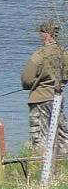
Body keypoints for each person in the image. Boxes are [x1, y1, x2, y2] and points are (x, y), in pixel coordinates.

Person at [21, 20, 68, 152]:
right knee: (60, 133)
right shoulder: (64, 53)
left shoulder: (39, 55)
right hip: (57, 98)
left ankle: (41, 164)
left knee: (40, 137)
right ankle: (62, 162)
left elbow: (26, 79)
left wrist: (36, 83)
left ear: (46, 34)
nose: (40, 36)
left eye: (41, 33)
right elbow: (65, 76)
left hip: (39, 99)